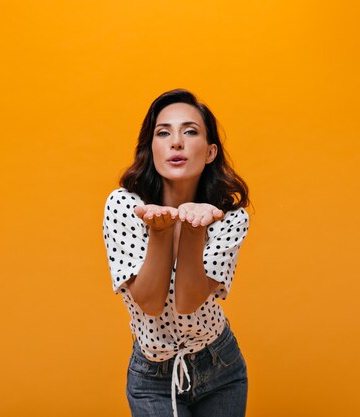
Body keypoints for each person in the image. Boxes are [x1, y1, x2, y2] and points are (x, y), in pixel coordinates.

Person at [102, 88, 250, 417]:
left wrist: (195, 230)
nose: (176, 142)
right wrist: (161, 230)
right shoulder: (125, 206)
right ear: (151, 148)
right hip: (153, 376)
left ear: (210, 151)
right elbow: (150, 302)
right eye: (163, 132)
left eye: (190, 131)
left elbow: (187, 300)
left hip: (220, 365)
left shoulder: (229, 216)